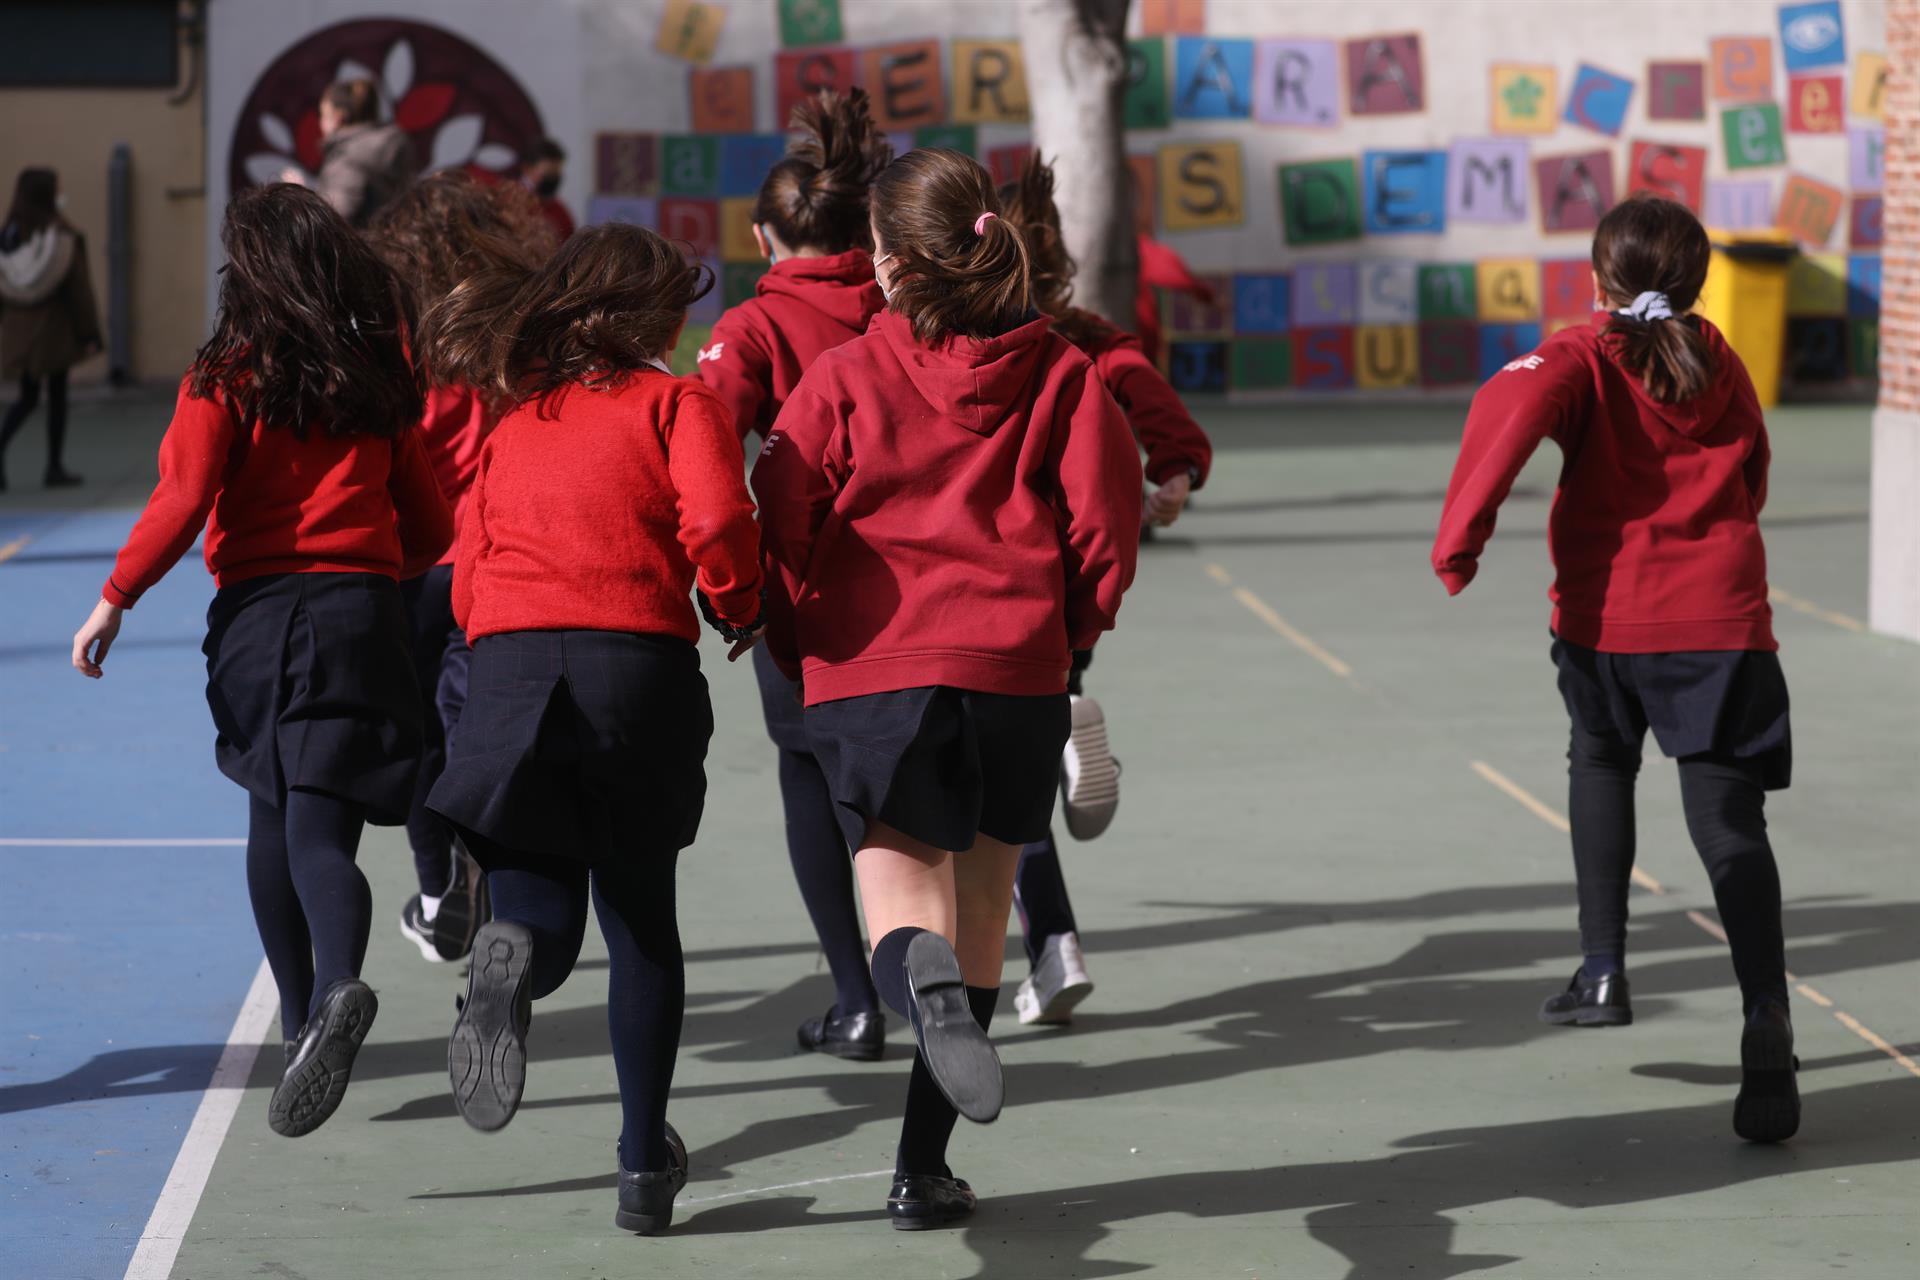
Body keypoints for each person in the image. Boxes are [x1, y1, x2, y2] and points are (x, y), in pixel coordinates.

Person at [753, 148, 1143, 1229]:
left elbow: (782, 509)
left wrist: (796, 634)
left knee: (900, 914)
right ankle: (922, 1169)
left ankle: (908, 979)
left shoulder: (841, 377)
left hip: (879, 676)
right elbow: (1106, 526)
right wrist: (1070, 638)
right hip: (1016, 675)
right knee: (980, 925)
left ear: (883, 264)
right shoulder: (1065, 373)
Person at [70, 183, 452, 1138]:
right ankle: (328, 997)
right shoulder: (377, 375)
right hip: (364, 608)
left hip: (263, 617)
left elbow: (183, 495)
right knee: (319, 824)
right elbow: (433, 517)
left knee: (272, 815)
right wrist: (376, 577)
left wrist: (115, 597)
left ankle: (312, 1012)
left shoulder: (227, 374)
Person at [1431, 194, 1799, 1144]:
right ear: (1697, 282)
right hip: (1721, 625)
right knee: (1727, 826)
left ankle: (1603, 972)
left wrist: (1461, 537)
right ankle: (1767, 1012)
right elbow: (1753, 468)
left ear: (1598, 279)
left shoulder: (1581, 354)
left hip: (1608, 623)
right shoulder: (1719, 357)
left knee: (1600, 762)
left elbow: (1505, 405)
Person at [418, 224, 764, 1235]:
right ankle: (642, 1166)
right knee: (642, 922)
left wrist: (491, 663)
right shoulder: (678, 403)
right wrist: (739, 606)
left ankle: (508, 951)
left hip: (510, 667)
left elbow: (471, 570)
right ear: (655, 317)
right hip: (633, 669)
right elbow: (715, 518)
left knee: (538, 912)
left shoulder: (515, 420)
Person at [696, 88, 892, 1063]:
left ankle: (859, 996)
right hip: (934, 581)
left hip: (811, 596)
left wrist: (722, 577)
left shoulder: (755, 328)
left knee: (812, 777)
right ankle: (929, 977)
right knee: (915, 789)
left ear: (764, 235)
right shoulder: (909, 304)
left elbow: (699, 447)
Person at [998, 153, 1214, 1026]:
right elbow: (1173, 427)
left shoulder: (968, 340)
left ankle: (1050, 947)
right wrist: (1175, 479)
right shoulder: (1094, 341)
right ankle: (1063, 733)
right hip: (1075, 587)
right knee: (1030, 733)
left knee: (985, 794)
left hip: (986, 584)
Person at [368, 172, 555, 964]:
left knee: (416, 736)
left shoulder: (399, 333)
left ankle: (440, 885)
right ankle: (482, 872)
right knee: (478, 730)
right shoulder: (520, 323)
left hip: (418, 558)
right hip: (503, 553)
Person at [0, 167, 101, 490]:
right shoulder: (63, 240)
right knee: (56, 397)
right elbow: (79, 292)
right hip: (55, 331)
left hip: (18, 333)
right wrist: (90, 334)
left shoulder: (9, 238)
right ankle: (54, 466)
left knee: (27, 398)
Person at [287, 78, 417, 227]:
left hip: (365, 246)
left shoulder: (347, 160)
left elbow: (335, 220)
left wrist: (301, 200)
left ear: (337, 117)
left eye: (323, 115)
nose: (320, 122)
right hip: (397, 241)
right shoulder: (393, 143)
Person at [518, 137, 575, 242]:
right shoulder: (507, 206)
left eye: (556, 173)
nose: (552, 178)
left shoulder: (560, 212)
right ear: (526, 168)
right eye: (547, 173)